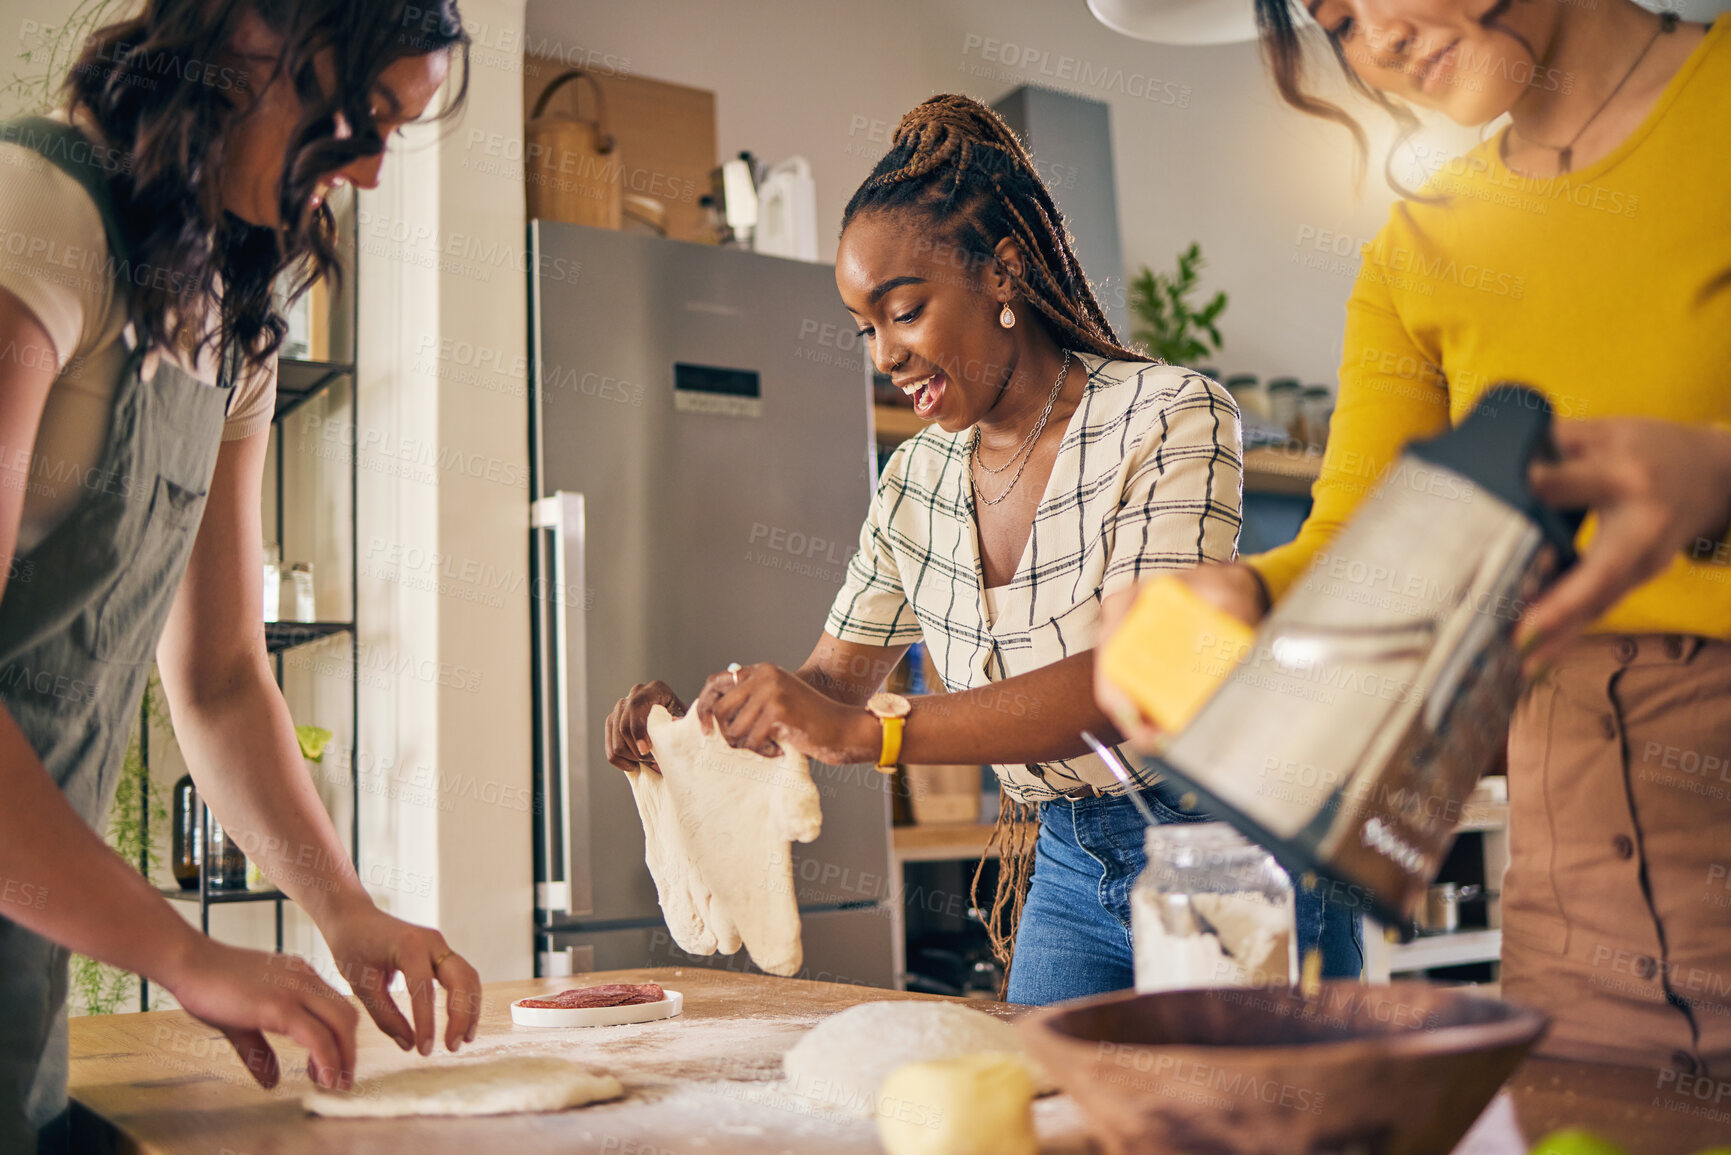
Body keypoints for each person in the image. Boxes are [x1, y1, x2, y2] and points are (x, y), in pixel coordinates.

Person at [606, 94, 1362, 1006]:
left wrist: (873, 734)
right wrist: (693, 731)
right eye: (866, 328)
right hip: (1070, 865)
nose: (884, 353)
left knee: (1249, 1128)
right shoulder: (913, 479)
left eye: (905, 310)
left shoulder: (1168, 413)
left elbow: (1137, 681)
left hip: (1228, 848)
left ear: (1003, 273)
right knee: (1051, 1125)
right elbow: (830, 690)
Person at [1101, 0, 1731, 1069]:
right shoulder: (1417, 251)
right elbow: (1358, 541)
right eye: (1334, 19)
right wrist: (1242, 597)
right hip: (1579, 923)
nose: (1375, 40)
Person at [0, 3, 485, 1148]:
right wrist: (182, 953)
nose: (367, 170)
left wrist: (344, 908)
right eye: (362, 115)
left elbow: (218, 676)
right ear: (253, 33)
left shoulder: (225, 318)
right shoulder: (36, 220)